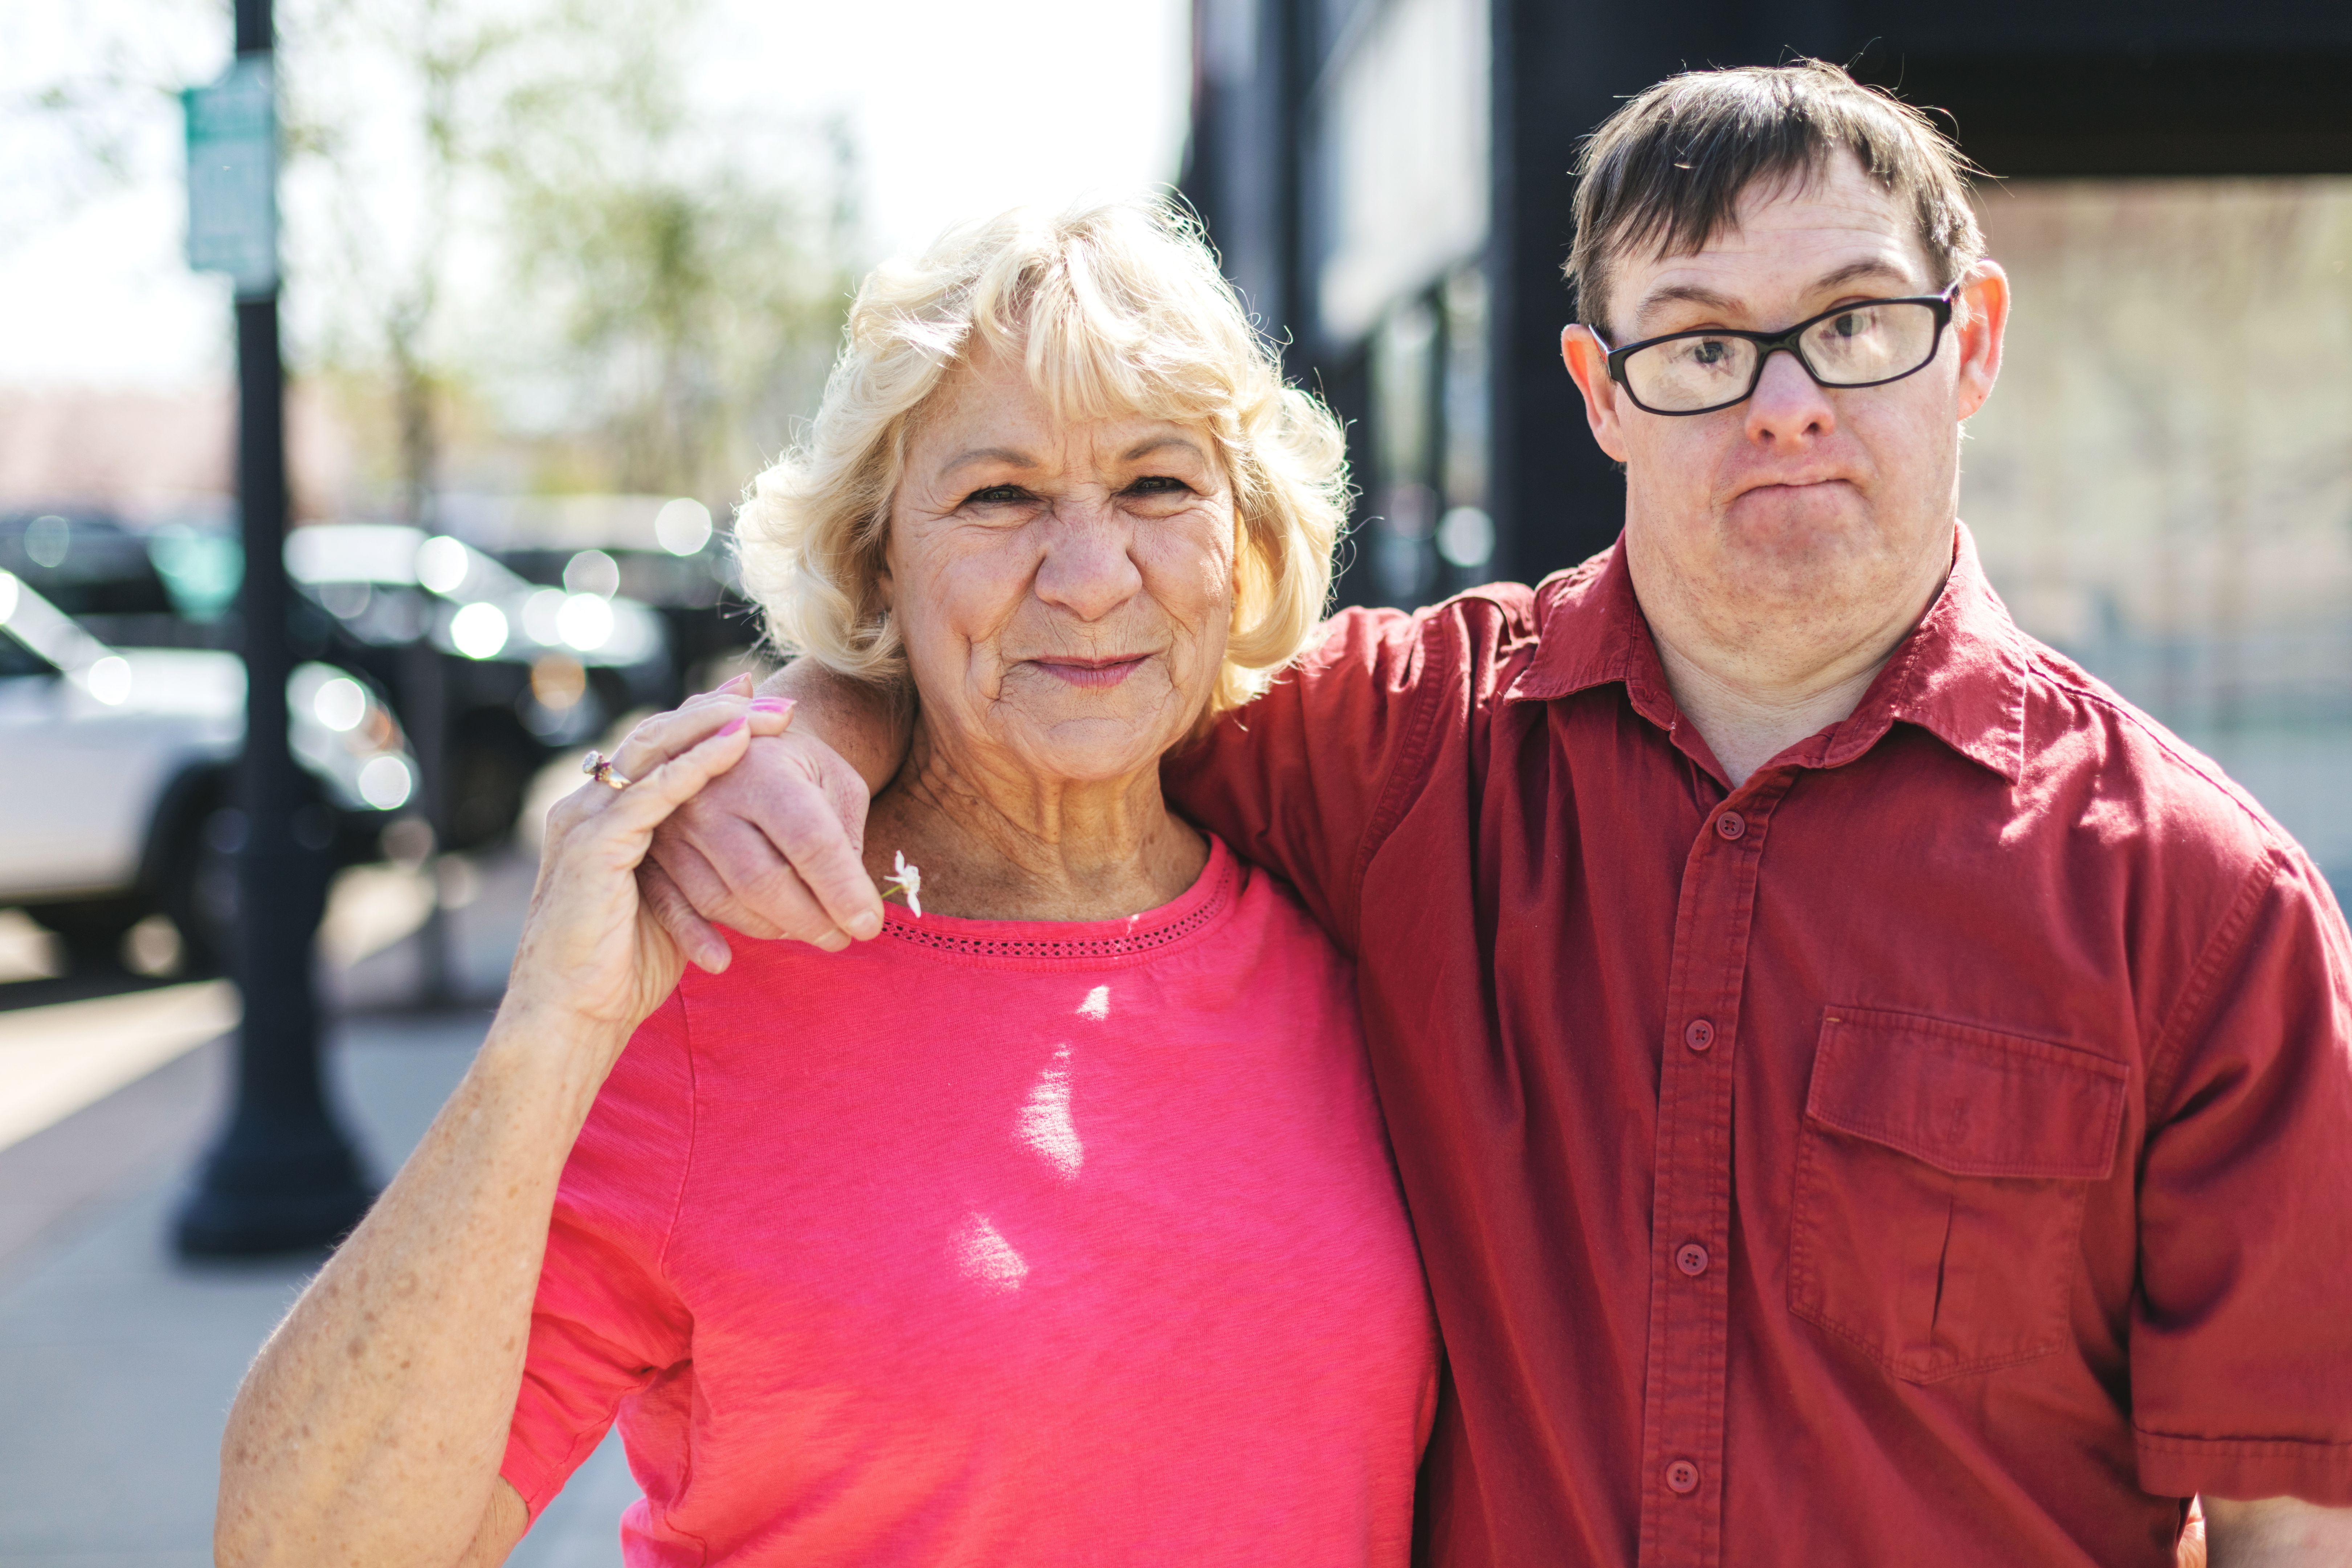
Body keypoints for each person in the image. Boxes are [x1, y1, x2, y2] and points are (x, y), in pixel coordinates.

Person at [645, 61, 2352, 1568]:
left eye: (1850, 324)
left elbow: (2295, 1525)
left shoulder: (2199, 908)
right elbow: (1059, 660)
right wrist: (817, 717)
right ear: (1599, 388)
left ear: (1967, 341)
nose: (1783, 401)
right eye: (1696, 342)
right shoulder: (1396, 748)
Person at [214, 199, 1438, 1567]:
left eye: (1158, 486)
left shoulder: (1359, 941)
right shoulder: (711, 971)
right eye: (1000, 496)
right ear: (877, 564)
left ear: (1246, 542)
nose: (1093, 577)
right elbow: (304, 1547)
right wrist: (543, 1049)